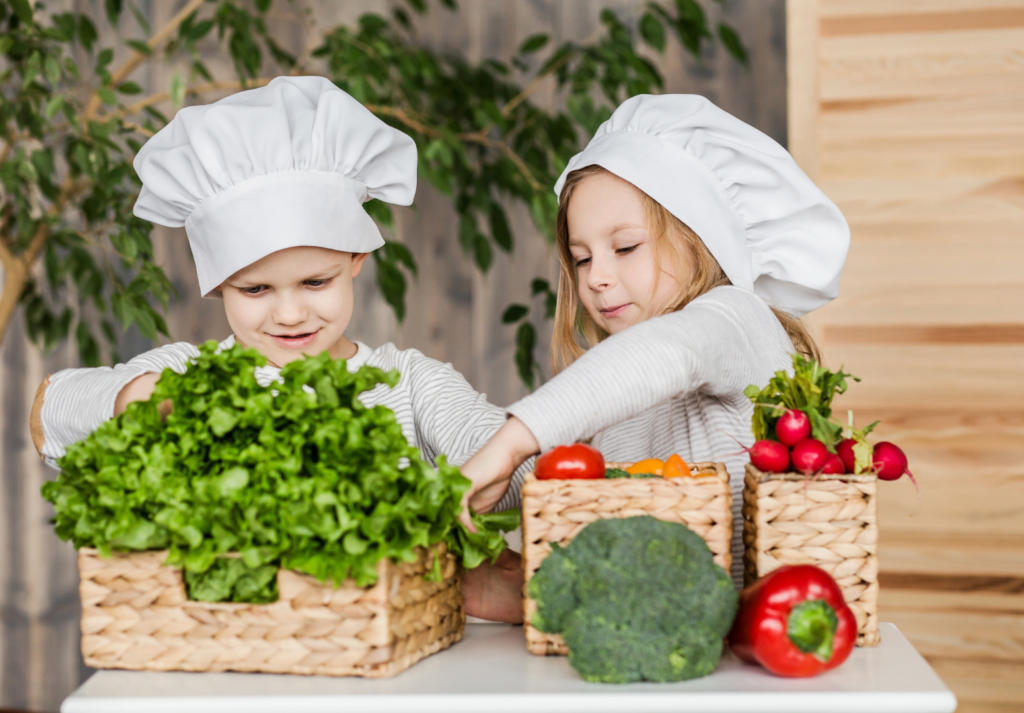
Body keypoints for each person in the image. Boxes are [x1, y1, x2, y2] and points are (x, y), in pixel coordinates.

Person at [28, 76, 527, 623]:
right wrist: (138, 400)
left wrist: (487, 478)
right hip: (228, 653)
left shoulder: (410, 384)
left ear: (358, 257)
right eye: (256, 289)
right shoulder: (192, 373)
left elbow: (508, 464)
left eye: (316, 282)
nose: (290, 314)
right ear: (217, 284)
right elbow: (50, 413)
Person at [457, 94, 850, 608]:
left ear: (700, 239)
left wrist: (509, 442)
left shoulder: (738, 319)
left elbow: (673, 352)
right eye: (581, 258)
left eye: (624, 248)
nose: (596, 277)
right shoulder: (615, 393)